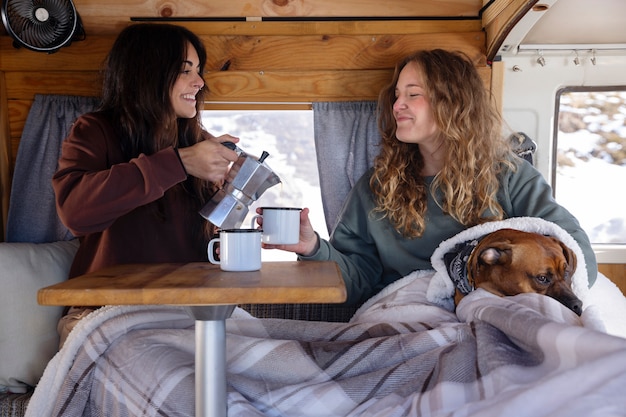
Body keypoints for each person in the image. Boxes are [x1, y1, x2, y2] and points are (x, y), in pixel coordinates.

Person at [260, 49, 597, 307]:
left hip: (484, 315)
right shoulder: (376, 188)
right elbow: (358, 278)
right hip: (404, 314)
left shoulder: (509, 177)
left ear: (452, 103)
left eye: (413, 94)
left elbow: (577, 254)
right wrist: (313, 248)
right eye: (396, 96)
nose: (397, 106)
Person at [52, 23, 240, 345]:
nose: (200, 82)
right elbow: (75, 213)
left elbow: (205, 243)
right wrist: (178, 163)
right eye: (185, 71)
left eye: (199, 70)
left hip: (184, 313)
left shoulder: (198, 143)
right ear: (148, 74)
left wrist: (230, 194)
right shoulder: (95, 130)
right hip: (105, 311)